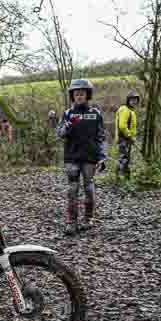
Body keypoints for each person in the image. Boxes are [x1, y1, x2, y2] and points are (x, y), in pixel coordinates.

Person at [56, 79, 106, 235]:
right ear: (72, 96)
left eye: (82, 94)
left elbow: (101, 137)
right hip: (72, 156)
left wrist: (103, 156)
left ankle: (88, 219)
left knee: (89, 188)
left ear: (87, 95)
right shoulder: (68, 114)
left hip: (90, 157)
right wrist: (66, 127)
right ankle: (71, 222)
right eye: (76, 94)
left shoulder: (95, 114)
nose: (79, 96)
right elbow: (59, 134)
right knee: (72, 188)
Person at [115, 91, 139, 180]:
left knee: (125, 158)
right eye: (132, 100)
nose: (134, 102)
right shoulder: (125, 110)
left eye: (136, 100)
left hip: (127, 139)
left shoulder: (130, 111)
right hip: (124, 138)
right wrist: (129, 136)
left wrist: (132, 137)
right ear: (128, 100)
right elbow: (122, 126)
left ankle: (126, 177)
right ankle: (119, 178)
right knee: (123, 158)